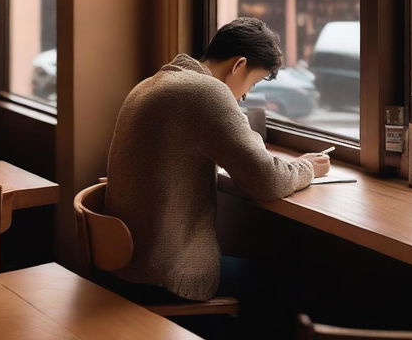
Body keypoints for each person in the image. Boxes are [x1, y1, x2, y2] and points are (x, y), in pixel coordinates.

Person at [105, 17, 330, 335]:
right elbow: (267, 181)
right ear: (239, 64)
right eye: (251, 86)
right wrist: (308, 167)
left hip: (127, 261)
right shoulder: (205, 92)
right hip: (164, 272)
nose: (242, 97)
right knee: (285, 281)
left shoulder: (156, 81)